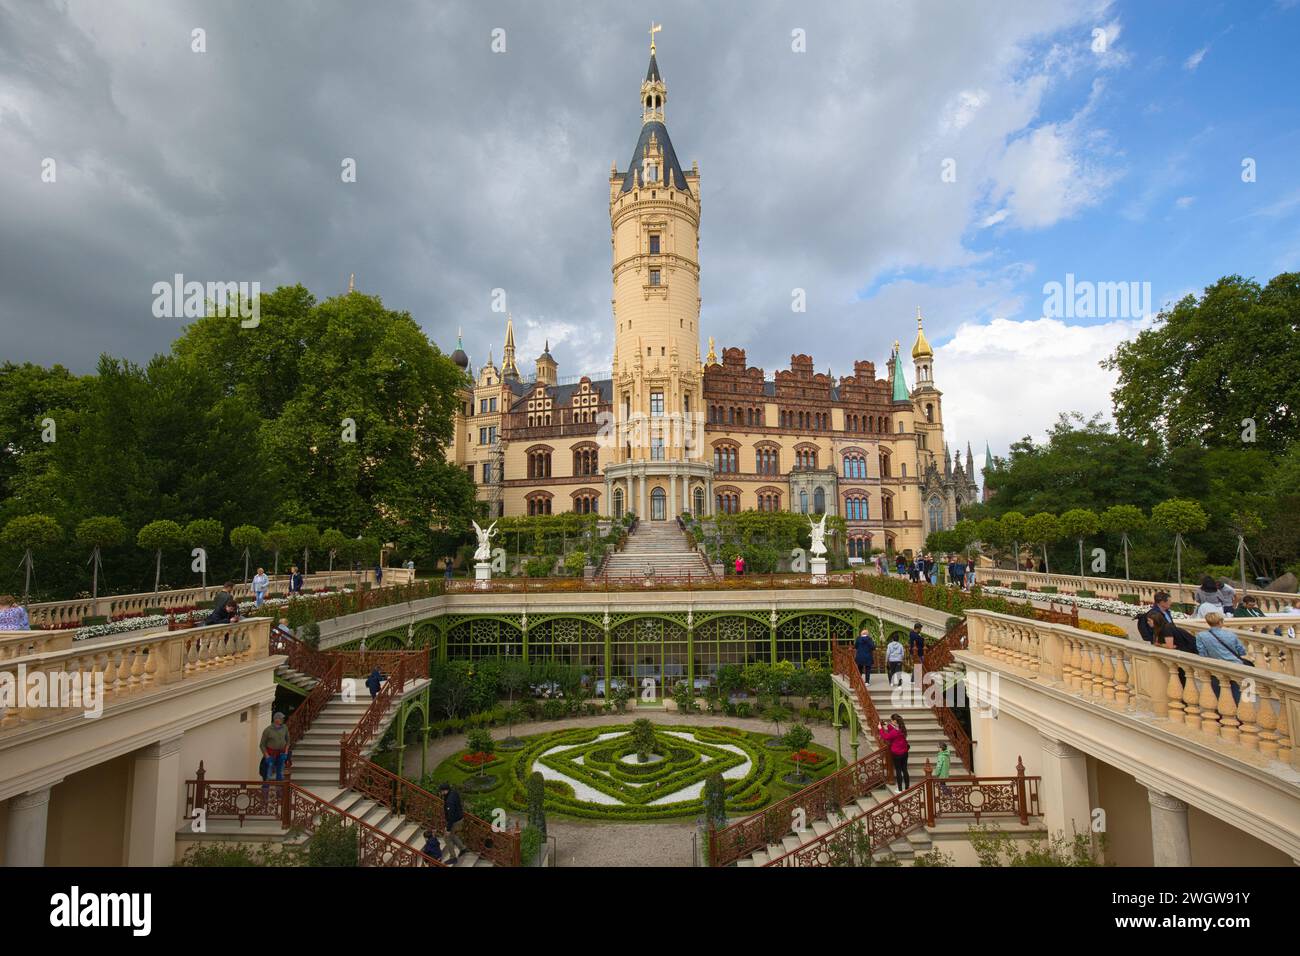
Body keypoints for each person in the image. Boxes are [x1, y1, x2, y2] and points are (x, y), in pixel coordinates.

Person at [1194, 611, 1250, 706]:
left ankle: (1222, 712)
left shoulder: (1201, 636)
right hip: (1235, 665)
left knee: (1218, 691)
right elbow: (1242, 651)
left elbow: (1202, 653)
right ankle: (1241, 712)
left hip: (1215, 666)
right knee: (1237, 690)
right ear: (1220, 622)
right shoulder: (1231, 634)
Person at [878, 714, 911, 792]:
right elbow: (892, 730)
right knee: (905, 769)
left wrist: (880, 729)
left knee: (898, 770)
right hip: (904, 752)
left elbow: (886, 736)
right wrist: (888, 725)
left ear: (895, 721)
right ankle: (907, 787)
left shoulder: (895, 732)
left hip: (897, 753)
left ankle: (900, 789)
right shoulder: (902, 728)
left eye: (891, 720)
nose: (890, 721)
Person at [259, 711, 291, 788]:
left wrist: (286, 753)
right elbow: (262, 745)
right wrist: (267, 756)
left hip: (281, 754)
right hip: (271, 755)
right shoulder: (268, 730)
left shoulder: (285, 728)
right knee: (267, 776)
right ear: (276, 719)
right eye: (281, 718)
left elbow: (288, 741)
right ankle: (265, 796)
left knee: (280, 775)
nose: (283, 720)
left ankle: (279, 794)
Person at [437, 782, 467, 862]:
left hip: (455, 821)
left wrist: (448, 829)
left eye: (441, 791)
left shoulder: (449, 801)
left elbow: (451, 816)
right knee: (452, 835)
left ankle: (453, 857)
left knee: (447, 837)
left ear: (445, 791)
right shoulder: (453, 792)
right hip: (459, 818)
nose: (440, 793)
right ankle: (463, 848)